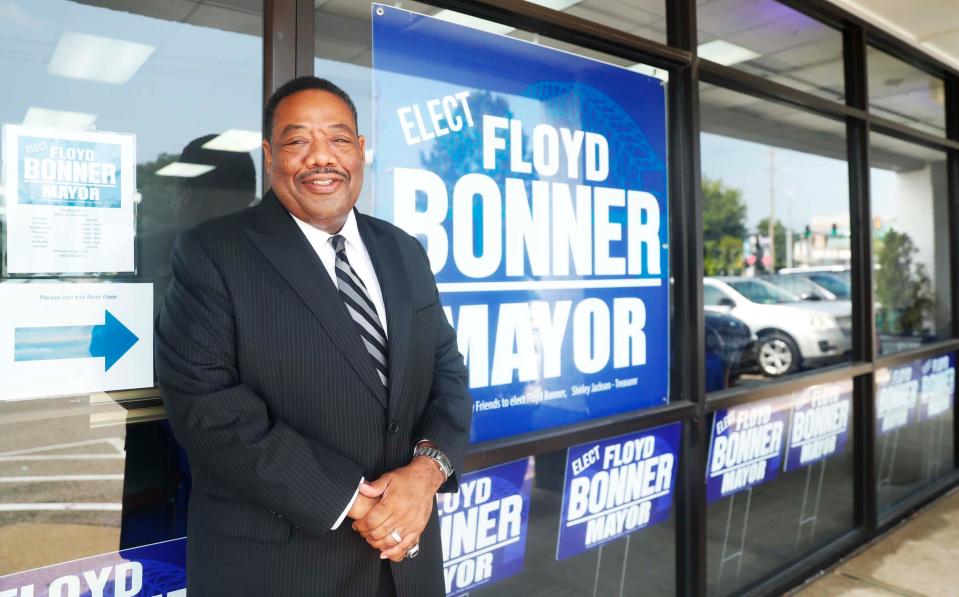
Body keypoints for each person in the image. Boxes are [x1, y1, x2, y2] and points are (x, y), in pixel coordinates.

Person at [155, 76, 471, 596]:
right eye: (298, 140)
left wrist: (426, 474)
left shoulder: (404, 251)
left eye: (339, 139)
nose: (322, 158)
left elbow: (448, 376)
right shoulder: (213, 252)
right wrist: (359, 501)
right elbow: (206, 408)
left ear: (361, 150)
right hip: (280, 570)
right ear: (269, 154)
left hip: (406, 563)